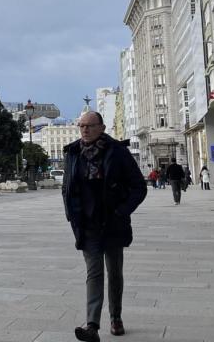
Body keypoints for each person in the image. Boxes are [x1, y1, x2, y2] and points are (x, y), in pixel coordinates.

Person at [62, 111, 147, 341]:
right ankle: (92, 326)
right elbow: (67, 187)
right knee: (94, 273)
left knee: (115, 272)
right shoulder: (72, 153)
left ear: (102, 127)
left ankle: (116, 317)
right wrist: (71, 215)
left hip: (112, 222)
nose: (84, 130)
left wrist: (122, 211)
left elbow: (139, 186)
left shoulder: (117, 151)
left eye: (89, 126)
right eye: (81, 126)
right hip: (87, 224)